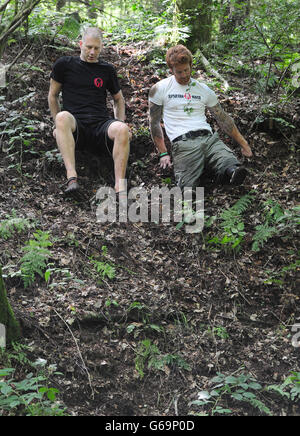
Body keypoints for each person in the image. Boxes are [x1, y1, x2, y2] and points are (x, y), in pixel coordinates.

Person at [149, 45, 252, 190]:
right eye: (179, 72)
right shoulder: (160, 89)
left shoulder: (204, 90)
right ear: (171, 70)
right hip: (184, 143)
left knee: (230, 163)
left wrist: (243, 143)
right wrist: (163, 153)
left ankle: (228, 173)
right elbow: (154, 123)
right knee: (187, 187)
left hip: (209, 139)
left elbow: (222, 118)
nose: (184, 75)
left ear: (191, 65)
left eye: (186, 70)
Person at [48, 27, 130, 195]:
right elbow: (52, 95)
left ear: (101, 48)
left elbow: (118, 99)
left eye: (96, 48)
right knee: (62, 117)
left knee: (122, 129)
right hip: (76, 126)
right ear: (80, 44)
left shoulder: (107, 69)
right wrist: (56, 123)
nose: (92, 52)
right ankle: (72, 179)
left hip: (100, 124)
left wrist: (120, 121)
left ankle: (120, 187)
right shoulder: (64, 65)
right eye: (88, 47)